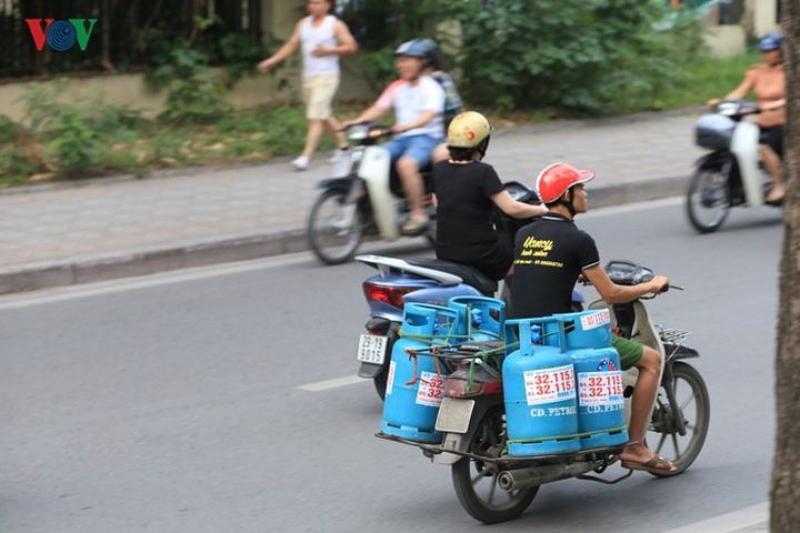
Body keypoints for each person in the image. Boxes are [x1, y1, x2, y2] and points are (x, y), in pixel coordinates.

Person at [510, 161, 676, 475]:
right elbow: (612, 295)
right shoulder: (578, 239)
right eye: (580, 188)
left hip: (524, 333)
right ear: (566, 196)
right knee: (651, 360)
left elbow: (540, 274)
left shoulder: (524, 234)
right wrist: (650, 285)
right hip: (561, 334)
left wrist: (575, 273)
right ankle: (636, 447)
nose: (585, 193)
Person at [346, 39, 446, 234]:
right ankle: (369, 207)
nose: (401, 65)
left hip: (426, 137)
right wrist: (356, 122)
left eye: (407, 60)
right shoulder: (396, 87)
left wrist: (406, 125)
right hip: (401, 139)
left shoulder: (431, 87)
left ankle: (418, 214)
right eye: (400, 60)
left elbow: (429, 115)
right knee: (370, 157)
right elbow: (378, 108)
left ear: (422, 63)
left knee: (406, 164)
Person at [433, 111, 547, 281]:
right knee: (523, 262)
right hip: (480, 253)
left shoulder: (439, 169)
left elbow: (439, 203)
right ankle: (519, 306)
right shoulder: (482, 171)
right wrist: (542, 209)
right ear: (482, 143)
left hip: (445, 251)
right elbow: (512, 208)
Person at [257, 0, 357, 171]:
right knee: (323, 114)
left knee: (315, 117)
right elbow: (291, 44)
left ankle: (305, 157)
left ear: (327, 5)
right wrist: (272, 60)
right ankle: (345, 148)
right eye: (311, 3)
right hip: (308, 77)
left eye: (318, 2)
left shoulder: (335, 24)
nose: (313, 6)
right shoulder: (303, 24)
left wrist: (329, 50)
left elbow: (351, 47)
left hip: (327, 76)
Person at [707, 32, 786, 204]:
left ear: (781, 51)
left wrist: (778, 103)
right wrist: (722, 102)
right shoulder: (756, 72)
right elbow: (740, 92)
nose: (766, 55)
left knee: (764, 147)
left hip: (783, 122)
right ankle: (738, 185)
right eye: (763, 51)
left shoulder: (790, 71)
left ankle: (779, 185)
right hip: (761, 120)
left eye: (770, 51)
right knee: (737, 143)